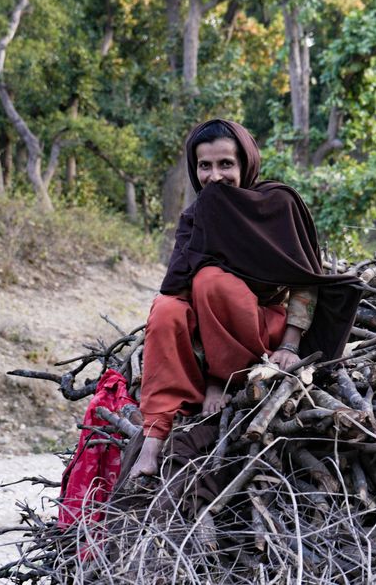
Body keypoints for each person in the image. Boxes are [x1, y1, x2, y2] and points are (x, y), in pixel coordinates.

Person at [129, 119, 361, 478]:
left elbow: (305, 281)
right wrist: (208, 216)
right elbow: (174, 286)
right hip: (209, 338)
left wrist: (290, 344)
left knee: (211, 281)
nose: (214, 176)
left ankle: (221, 380)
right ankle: (154, 435)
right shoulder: (196, 215)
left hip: (261, 333)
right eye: (204, 166)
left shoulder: (276, 204)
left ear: (245, 164)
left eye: (226, 164)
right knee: (166, 309)